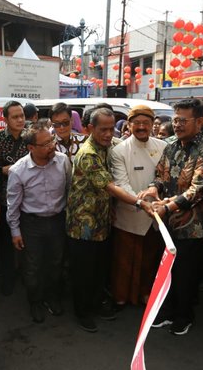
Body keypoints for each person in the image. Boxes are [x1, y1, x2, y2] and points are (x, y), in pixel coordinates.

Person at [66, 108, 154, 333]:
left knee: (98, 270)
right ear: (89, 129)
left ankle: (95, 304)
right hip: (83, 225)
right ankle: (82, 312)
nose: (108, 134)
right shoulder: (88, 153)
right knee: (83, 273)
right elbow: (110, 187)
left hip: (103, 222)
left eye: (111, 128)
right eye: (103, 129)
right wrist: (139, 203)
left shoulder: (110, 146)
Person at [144, 99, 203, 335]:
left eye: (182, 120)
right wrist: (153, 188)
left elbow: (199, 188)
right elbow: (161, 175)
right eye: (175, 120)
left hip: (192, 224)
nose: (177, 125)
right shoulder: (170, 146)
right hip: (166, 223)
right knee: (165, 269)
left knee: (186, 274)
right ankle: (166, 310)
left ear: (199, 121)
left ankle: (184, 315)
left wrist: (168, 207)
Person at [7, 120, 71, 323]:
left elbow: (70, 190)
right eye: (45, 144)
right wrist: (15, 232)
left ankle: (52, 298)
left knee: (56, 262)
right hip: (31, 223)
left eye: (52, 140)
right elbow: (13, 204)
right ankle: (35, 301)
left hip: (58, 220)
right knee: (33, 266)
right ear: (31, 148)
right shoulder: (18, 170)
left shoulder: (62, 161)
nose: (52, 145)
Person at [109, 105, 167, 307]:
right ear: (129, 125)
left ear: (153, 125)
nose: (142, 127)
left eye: (146, 123)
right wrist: (141, 203)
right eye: (137, 123)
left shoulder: (163, 146)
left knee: (150, 259)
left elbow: (165, 177)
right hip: (129, 213)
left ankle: (145, 294)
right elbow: (121, 183)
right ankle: (121, 297)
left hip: (156, 215)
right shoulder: (119, 151)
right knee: (124, 261)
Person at [0, 100, 29, 294]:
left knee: (29, 241)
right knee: (7, 243)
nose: (20, 120)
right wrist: (2, 170)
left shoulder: (31, 136)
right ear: (5, 119)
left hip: (30, 199)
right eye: (15, 117)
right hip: (6, 199)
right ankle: (8, 281)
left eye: (22, 115)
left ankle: (28, 278)